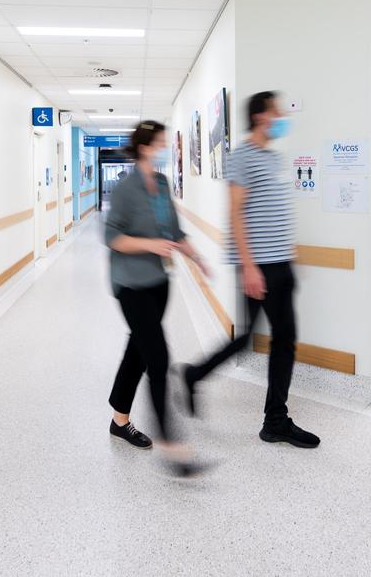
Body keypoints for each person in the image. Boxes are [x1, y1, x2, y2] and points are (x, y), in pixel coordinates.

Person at [179, 91, 320, 449]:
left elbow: (268, 211)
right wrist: (249, 267)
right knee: (283, 340)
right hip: (262, 267)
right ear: (260, 116)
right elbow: (236, 214)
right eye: (275, 111)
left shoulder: (272, 158)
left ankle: (194, 374)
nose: (280, 117)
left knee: (250, 339)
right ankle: (275, 421)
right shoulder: (242, 156)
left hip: (279, 263)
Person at [105, 121, 210, 476]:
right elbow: (111, 237)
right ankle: (171, 444)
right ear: (146, 147)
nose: (166, 147)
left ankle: (119, 421)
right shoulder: (125, 188)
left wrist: (197, 259)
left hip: (157, 282)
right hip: (130, 283)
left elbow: (175, 232)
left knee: (138, 350)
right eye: (162, 142)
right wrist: (150, 244)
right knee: (158, 357)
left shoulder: (162, 184)